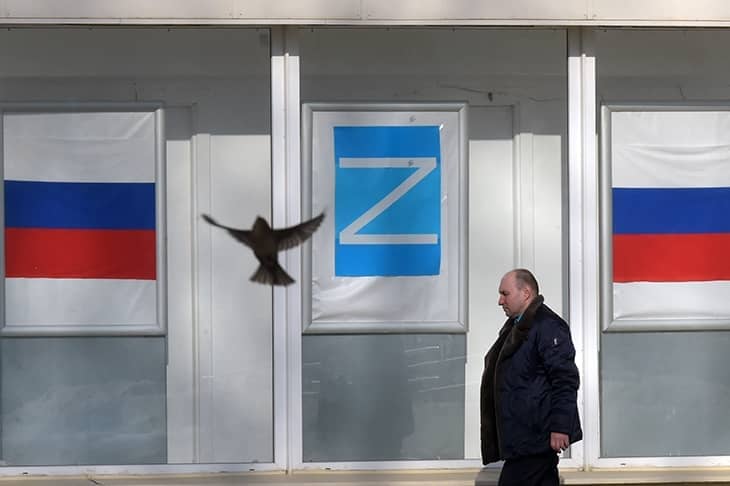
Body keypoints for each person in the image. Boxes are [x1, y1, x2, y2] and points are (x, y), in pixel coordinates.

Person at [480, 268, 582, 486]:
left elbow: (565, 380)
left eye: (505, 293)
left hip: (535, 437)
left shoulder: (547, 326)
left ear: (526, 293)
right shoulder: (516, 326)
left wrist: (560, 426)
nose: (500, 301)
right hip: (523, 437)